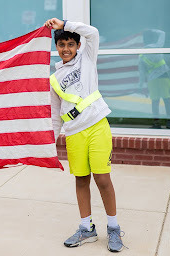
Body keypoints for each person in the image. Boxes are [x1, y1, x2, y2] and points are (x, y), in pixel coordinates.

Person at [44, 18, 125, 252]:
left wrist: (64, 24)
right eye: (62, 45)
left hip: (97, 126)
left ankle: (113, 228)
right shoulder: (54, 79)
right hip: (74, 133)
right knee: (81, 179)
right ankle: (86, 227)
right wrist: (51, 139)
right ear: (56, 48)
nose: (66, 49)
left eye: (70, 44)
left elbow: (93, 32)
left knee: (102, 179)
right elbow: (55, 115)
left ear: (78, 46)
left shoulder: (88, 58)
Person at [139, 29, 170, 129]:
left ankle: (156, 123)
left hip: (152, 79)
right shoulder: (157, 46)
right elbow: (163, 33)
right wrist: (153, 30)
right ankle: (169, 122)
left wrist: (140, 85)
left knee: (155, 101)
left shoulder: (141, 55)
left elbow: (142, 73)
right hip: (164, 76)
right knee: (167, 99)